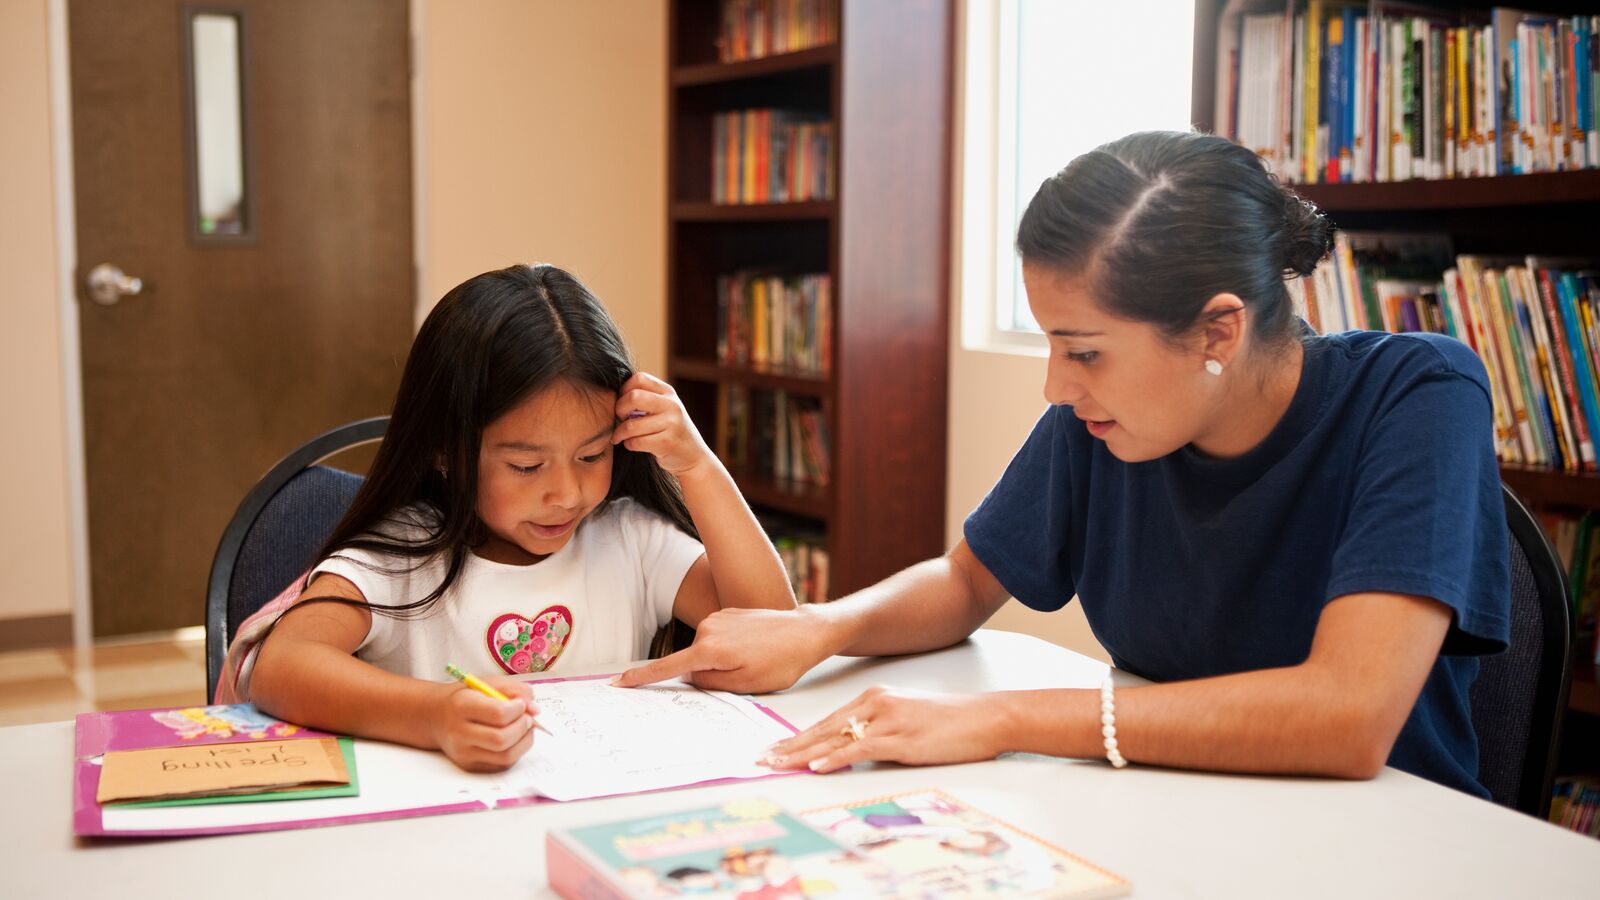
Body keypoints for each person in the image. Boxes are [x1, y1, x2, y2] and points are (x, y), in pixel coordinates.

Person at [616, 131, 1510, 798]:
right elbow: (968, 580)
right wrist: (823, 628)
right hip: (1172, 807)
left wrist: (1006, 718)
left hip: (1376, 842)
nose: (1055, 385)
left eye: (1082, 351)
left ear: (1218, 329)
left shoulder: (1419, 396)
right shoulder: (1110, 423)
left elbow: (1347, 717)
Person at [247, 263, 796, 771]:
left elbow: (775, 635)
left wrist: (697, 465)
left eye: (592, 455)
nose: (566, 493)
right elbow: (282, 666)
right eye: (527, 465)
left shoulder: (628, 538)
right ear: (444, 449)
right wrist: (433, 715)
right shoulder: (405, 555)